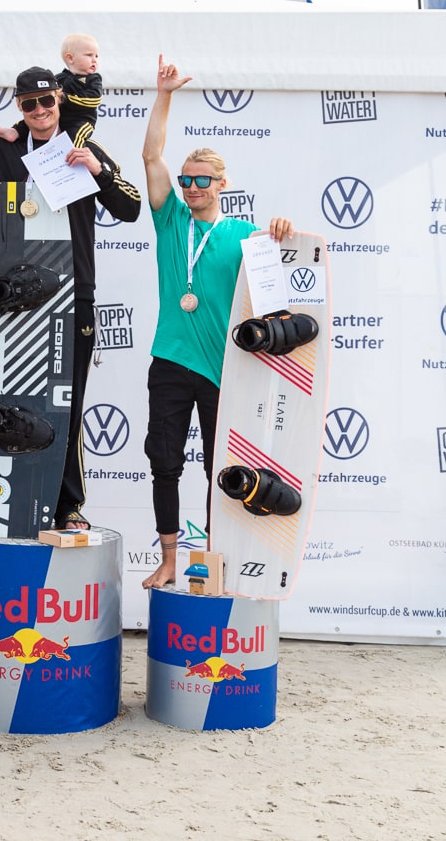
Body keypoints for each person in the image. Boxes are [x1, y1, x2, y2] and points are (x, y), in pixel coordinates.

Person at [0, 20, 141, 529]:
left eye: (47, 102)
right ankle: (3, 500)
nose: (39, 111)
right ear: (18, 108)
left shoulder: (82, 147)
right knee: (2, 397)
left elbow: (129, 210)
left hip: (72, 295)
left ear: (60, 101)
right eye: (29, 105)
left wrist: (98, 171)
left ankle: (68, 507)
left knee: (68, 402)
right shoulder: (0, 150)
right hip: (6, 300)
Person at [141, 57, 293, 588]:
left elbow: (284, 280)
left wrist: (281, 231)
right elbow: (151, 154)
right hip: (169, 361)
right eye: (185, 180)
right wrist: (164, 95)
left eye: (200, 180)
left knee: (216, 469)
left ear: (222, 183)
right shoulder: (170, 218)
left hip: (222, 369)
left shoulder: (248, 235)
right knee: (164, 463)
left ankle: (207, 558)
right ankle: (166, 558)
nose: (190, 187)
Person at [0, 33, 103, 148]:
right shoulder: (59, 78)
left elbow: (94, 100)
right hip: (59, 117)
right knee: (33, 120)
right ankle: (14, 132)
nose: (94, 60)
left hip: (80, 120)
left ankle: (71, 155)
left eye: (96, 56)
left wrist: (65, 98)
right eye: (89, 55)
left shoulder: (94, 79)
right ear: (70, 58)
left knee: (74, 136)